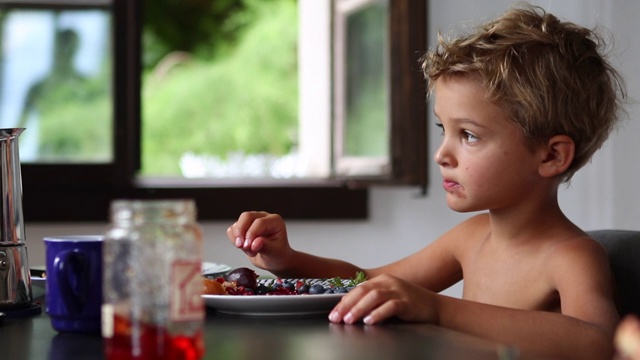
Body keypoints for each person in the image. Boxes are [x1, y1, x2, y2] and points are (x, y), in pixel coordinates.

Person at [226, 4, 626, 360]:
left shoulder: (572, 256)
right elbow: (367, 281)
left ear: (552, 156)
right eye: (443, 130)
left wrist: (438, 309)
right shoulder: (471, 238)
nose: (441, 155)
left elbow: (594, 341)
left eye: (468, 135)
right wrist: (288, 260)